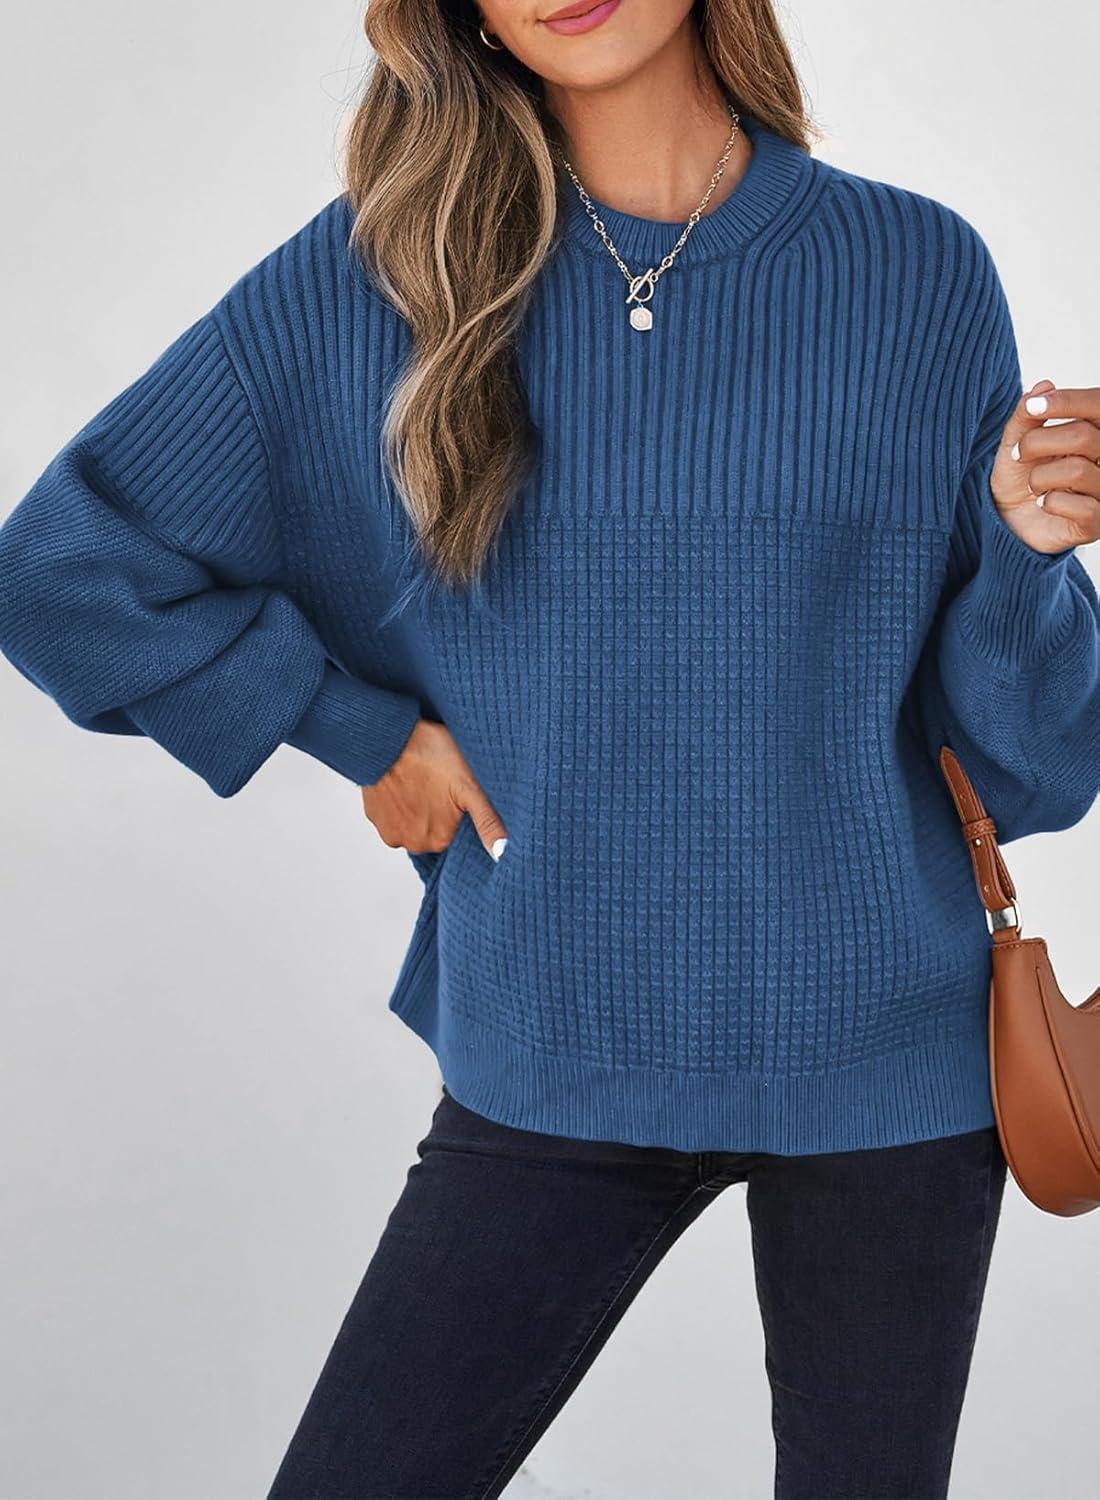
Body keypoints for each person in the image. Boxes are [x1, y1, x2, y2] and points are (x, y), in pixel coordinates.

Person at [1, 1, 1098, 1495]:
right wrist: (354, 730)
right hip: (557, 1039)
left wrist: (1026, 555)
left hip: (889, 1062)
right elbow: (63, 568)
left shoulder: (917, 272)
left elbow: (1035, 767)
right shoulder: (387, 276)